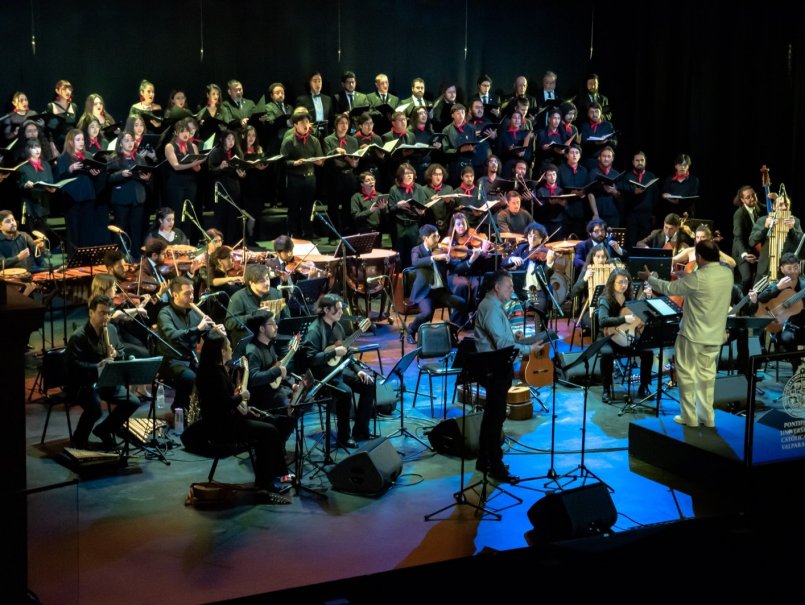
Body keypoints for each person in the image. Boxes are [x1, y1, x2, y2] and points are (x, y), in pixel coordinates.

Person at [644, 240, 733, 427]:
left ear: (699, 257)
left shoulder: (697, 278)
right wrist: (687, 275)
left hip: (692, 336)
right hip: (715, 336)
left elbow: (669, 288)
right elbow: (702, 283)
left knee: (686, 375)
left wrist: (650, 278)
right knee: (707, 378)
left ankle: (689, 417)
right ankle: (707, 418)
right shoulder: (727, 273)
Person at [195, 331, 291, 498]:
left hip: (226, 420)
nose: (232, 349)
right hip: (221, 427)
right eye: (229, 346)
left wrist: (246, 408)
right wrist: (242, 396)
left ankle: (269, 476)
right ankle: (271, 478)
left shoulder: (216, 369)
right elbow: (222, 405)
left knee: (271, 422)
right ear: (222, 351)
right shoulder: (213, 375)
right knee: (268, 431)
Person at [473, 270, 545, 482]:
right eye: (509, 286)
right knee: (495, 419)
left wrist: (515, 336)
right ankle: (495, 465)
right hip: (494, 368)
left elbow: (501, 336)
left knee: (493, 417)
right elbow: (502, 346)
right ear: (497, 287)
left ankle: (484, 459)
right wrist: (529, 349)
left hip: (496, 366)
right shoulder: (491, 308)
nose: (512, 290)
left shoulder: (494, 306)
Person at [65, 294, 142, 449]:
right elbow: (72, 366)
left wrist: (116, 354)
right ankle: (78, 439)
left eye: (108, 313)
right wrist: (98, 366)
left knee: (132, 401)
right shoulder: (79, 336)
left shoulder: (111, 329)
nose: (106, 317)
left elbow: (121, 351)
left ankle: (104, 430)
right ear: (91, 312)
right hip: (84, 384)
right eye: (102, 313)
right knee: (95, 408)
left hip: (106, 381)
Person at [300, 293, 376, 447]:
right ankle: (344, 436)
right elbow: (311, 360)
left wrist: (357, 370)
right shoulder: (314, 331)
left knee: (368, 384)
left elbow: (346, 352)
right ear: (327, 310)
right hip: (322, 376)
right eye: (338, 309)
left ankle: (361, 431)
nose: (342, 312)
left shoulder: (338, 327)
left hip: (338, 371)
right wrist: (333, 352)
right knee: (346, 392)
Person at [406, 224, 479, 344]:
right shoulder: (417, 250)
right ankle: (411, 330)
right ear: (425, 238)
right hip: (425, 293)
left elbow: (457, 267)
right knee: (427, 313)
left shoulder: (441, 251)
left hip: (440, 292)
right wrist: (433, 258)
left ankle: (451, 332)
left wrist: (471, 260)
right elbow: (415, 262)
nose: (438, 239)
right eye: (434, 236)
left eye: (438, 235)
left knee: (461, 303)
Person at [156, 276, 217, 413]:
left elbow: (206, 335)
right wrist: (197, 329)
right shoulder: (165, 313)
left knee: (213, 376)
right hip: (171, 360)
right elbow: (173, 336)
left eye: (192, 292)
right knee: (190, 378)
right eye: (187, 294)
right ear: (175, 294)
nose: (191, 297)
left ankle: (202, 412)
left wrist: (216, 332)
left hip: (190, 358)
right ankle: (179, 409)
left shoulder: (193, 313)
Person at [596, 268, 654, 402]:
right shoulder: (605, 299)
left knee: (648, 352)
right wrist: (623, 319)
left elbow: (640, 316)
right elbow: (602, 320)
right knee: (606, 354)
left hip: (628, 336)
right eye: (620, 282)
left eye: (626, 282)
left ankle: (644, 386)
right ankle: (606, 389)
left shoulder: (630, 299)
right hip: (608, 338)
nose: (623, 285)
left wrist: (647, 300)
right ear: (612, 283)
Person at [756, 252, 805, 372]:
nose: (793, 271)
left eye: (796, 267)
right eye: (789, 268)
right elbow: (761, 298)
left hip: (802, 326)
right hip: (782, 328)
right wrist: (777, 288)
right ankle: (797, 368)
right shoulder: (777, 284)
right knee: (787, 338)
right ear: (782, 269)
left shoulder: (803, 285)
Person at [280, 110, 324, 239]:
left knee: (308, 206)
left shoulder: (314, 140)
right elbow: (282, 162)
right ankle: (293, 232)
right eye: (302, 122)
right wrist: (294, 163)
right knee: (293, 207)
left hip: (310, 177)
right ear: (295, 124)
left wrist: (318, 161)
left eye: (307, 121)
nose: (306, 124)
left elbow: (321, 160)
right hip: (295, 178)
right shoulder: (289, 140)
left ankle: (308, 232)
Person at [107, 131, 151, 260]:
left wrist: (147, 178)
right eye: (126, 140)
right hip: (121, 199)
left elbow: (147, 175)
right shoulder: (114, 158)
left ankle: (136, 256)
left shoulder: (139, 158)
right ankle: (119, 257)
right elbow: (108, 178)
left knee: (136, 229)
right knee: (121, 229)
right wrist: (121, 174)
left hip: (138, 198)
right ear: (120, 143)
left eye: (132, 140)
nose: (130, 143)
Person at [225, 263, 286, 348]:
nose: (267, 283)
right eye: (262, 281)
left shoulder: (275, 293)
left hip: (273, 341)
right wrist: (253, 315)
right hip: (250, 343)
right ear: (251, 282)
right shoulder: (238, 297)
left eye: (267, 279)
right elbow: (229, 323)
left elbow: (285, 317)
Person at [749, 193, 803, 280]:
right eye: (781, 205)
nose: (784, 207)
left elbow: (801, 246)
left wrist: (792, 230)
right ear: (774, 207)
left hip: (786, 271)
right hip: (765, 270)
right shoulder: (763, 220)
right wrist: (765, 228)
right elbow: (751, 242)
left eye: (787, 205)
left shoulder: (795, 221)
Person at [621, 151, 659, 248]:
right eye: (637, 160)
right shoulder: (627, 176)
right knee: (631, 242)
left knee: (644, 242)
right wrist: (633, 191)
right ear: (633, 162)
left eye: (642, 160)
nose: (640, 162)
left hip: (646, 216)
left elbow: (655, 196)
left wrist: (653, 213)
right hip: (632, 215)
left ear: (645, 162)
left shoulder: (651, 176)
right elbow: (622, 193)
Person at [732, 185, 765, 293]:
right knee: (747, 279)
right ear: (742, 199)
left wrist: (775, 200)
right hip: (743, 250)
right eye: (748, 197)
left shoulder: (759, 207)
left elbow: (772, 208)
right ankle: (737, 299)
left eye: (753, 195)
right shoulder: (739, 214)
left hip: (758, 249)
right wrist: (745, 254)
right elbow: (738, 238)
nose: (752, 198)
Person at [658, 153, 699, 221]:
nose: (682, 167)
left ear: (688, 166)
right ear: (675, 166)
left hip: (686, 213)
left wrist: (679, 202)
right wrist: (664, 195)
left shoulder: (694, 180)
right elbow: (663, 194)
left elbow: (692, 198)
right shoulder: (669, 179)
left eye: (685, 165)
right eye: (680, 165)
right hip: (670, 214)